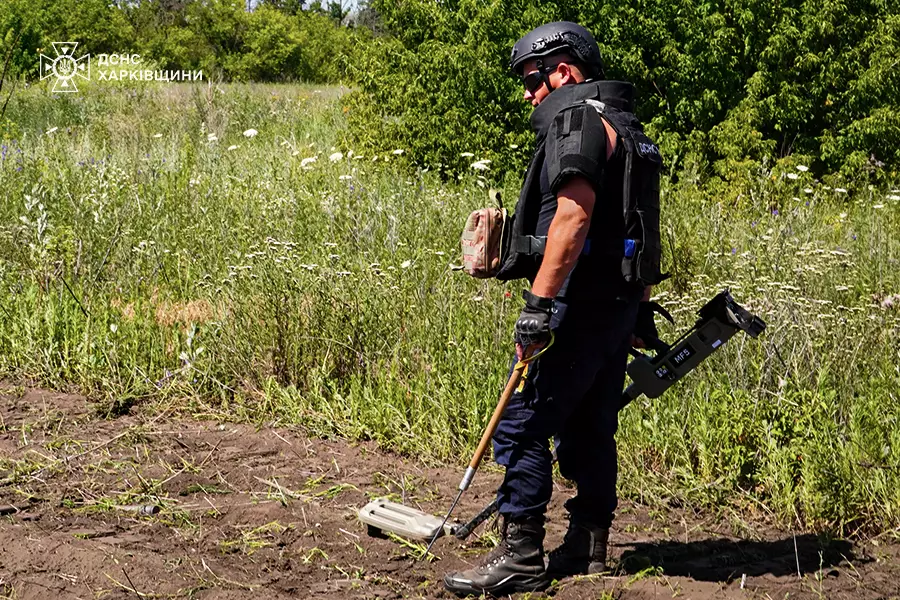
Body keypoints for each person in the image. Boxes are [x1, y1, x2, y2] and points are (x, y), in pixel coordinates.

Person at [444, 21, 663, 596]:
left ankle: (520, 557)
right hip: (614, 305)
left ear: (563, 70)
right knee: (591, 423)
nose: (527, 92)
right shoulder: (628, 128)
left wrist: (538, 305)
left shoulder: (578, 120)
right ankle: (588, 544)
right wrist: (638, 307)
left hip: (577, 304)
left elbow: (573, 216)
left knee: (520, 427)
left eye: (532, 78)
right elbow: (640, 230)